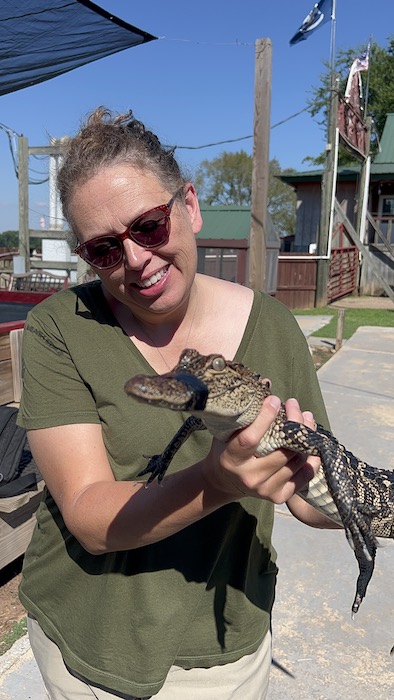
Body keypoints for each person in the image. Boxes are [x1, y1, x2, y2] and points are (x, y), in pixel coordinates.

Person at [17, 106, 340, 700]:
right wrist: (220, 480)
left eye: (148, 226)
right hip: (87, 641)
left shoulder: (274, 329)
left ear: (187, 206)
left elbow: (313, 503)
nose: (136, 260)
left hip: (221, 648)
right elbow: (88, 514)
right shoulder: (58, 329)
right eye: (104, 249)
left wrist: (335, 492)